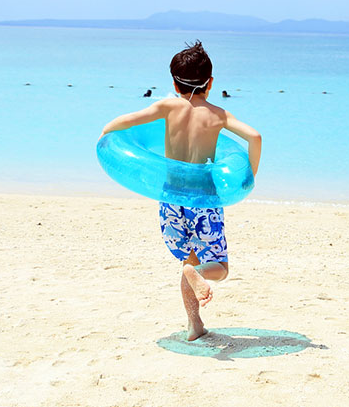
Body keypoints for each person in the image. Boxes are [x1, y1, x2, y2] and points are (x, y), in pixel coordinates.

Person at [101, 41, 262, 341]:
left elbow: (124, 121)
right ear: (210, 83)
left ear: (174, 83)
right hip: (204, 199)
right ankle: (197, 277)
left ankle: (194, 324)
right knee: (219, 267)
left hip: (170, 197)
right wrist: (248, 176)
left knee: (190, 260)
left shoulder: (167, 107)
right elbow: (255, 137)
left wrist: (105, 134)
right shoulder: (218, 115)